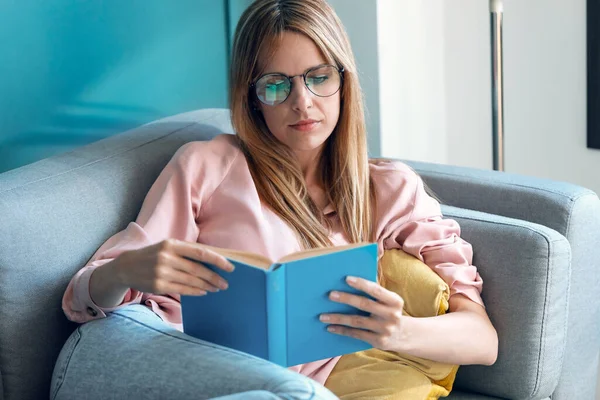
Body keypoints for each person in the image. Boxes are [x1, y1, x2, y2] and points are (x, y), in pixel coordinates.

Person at [51, 0, 498, 399]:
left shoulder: (388, 190)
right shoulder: (210, 164)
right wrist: (127, 268)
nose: (302, 102)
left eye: (318, 78)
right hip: (154, 354)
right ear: (252, 98)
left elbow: (483, 341)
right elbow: (82, 297)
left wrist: (399, 332)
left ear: (343, 81)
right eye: (276, 84)